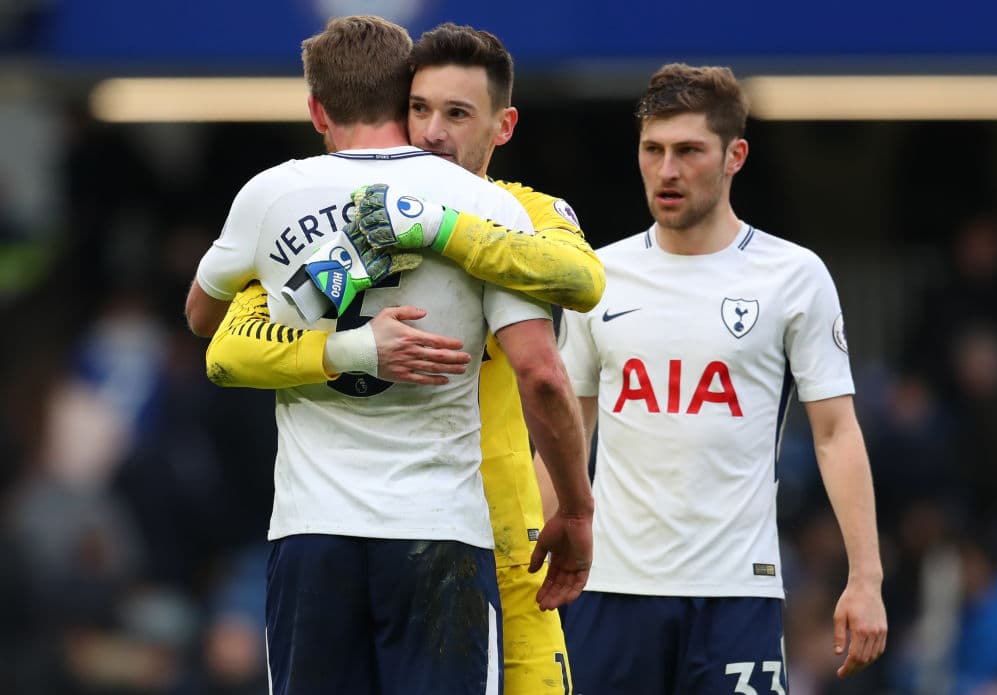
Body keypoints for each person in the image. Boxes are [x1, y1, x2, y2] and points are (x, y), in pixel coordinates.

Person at [184, 16, 594, 695]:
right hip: (445, 529)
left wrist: (298, 285)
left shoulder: (273, 195)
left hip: (315, 532)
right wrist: (577, 509)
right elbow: (542, 373)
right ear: (402, 100)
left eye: (456, 113)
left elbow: (207, 324)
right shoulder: (490, 206)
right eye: (424, 109)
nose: (434, 131)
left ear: (317, 109)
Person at [546, 63, 888, 694]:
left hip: (735, 593)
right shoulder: (597, 275)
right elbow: (568, 431)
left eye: (688, 151)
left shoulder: (793, 276)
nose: (667, 170)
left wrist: (865, 578)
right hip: (611, 591)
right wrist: (528, 560)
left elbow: (836, 433)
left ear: (735, 156)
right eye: (653, 150)